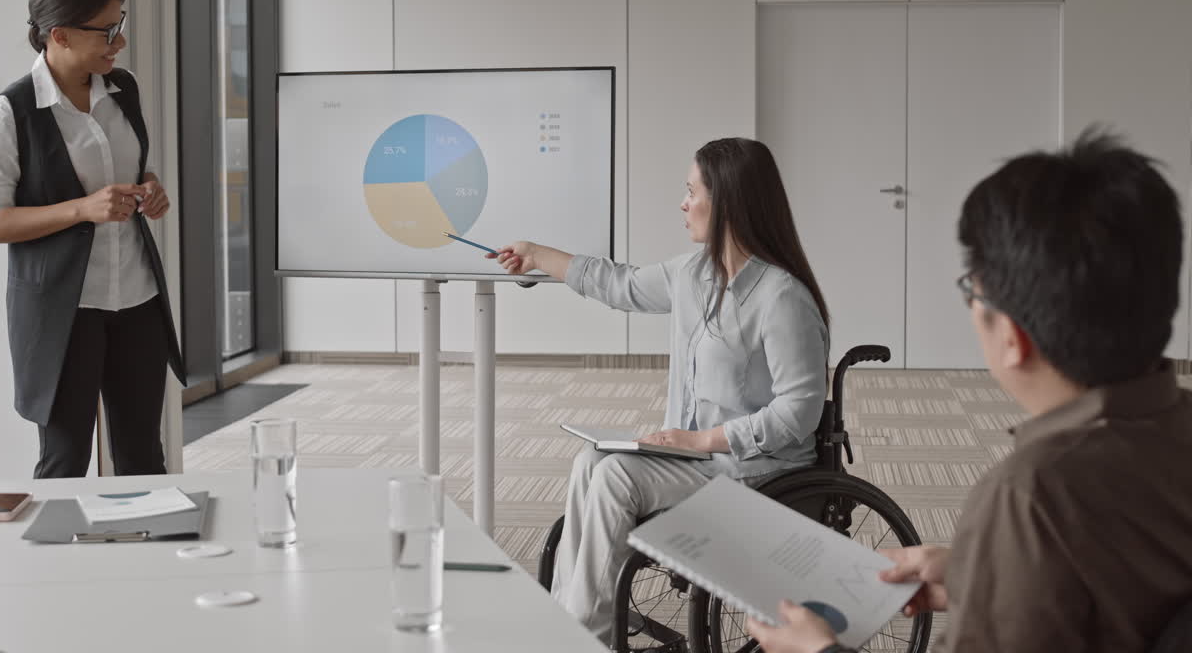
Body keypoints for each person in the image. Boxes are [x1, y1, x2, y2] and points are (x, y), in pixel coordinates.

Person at [748, 130, 1192, 653]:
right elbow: (1132, 568)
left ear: (1013, 338)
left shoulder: (1032, 495)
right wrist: (976, 570)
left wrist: (819, 650)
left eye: (972, 291)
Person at [491, 137, 831, 642]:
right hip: (697, 461)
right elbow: (618, 283)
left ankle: (585, 634)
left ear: (729, 203)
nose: (683, 202)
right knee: (591, 461)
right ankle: (572, 620)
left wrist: (702, 440)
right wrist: (537, 255)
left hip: (758, 469)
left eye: (692, 191)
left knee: (616, 479)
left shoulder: (782, 297)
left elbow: (797, 414)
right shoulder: (693, 274)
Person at [0, 0, 185, 479]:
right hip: (65, 312)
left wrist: (149, 186)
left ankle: (142, 554)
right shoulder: (11, 112)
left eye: (121, 23)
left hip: (137, 299)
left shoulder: (122, 89)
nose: (121, 39)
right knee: (65, 461)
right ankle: (60, 560)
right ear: (58, 34)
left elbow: (127, 168)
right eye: (107, 30)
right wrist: (82, 209)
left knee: (142, 457)